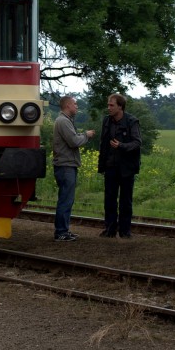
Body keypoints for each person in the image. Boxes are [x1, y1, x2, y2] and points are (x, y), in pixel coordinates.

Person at [97, 93, 142, 238]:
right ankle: (109, 229)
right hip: (110, 166)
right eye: (108, 105)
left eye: (112, 105)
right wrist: (101, 164)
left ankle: (125, 231)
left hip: (126, 168)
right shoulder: (106, 121)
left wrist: (121, 146)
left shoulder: (132, 121)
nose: (108, 107)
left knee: (125, 201)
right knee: (109, 199)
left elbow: (137, 143)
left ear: (120, 106)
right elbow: (103, 143)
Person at [52, 95, 95, 241]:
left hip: (66, 165)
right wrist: (86, 135)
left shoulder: (65, 120)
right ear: (68, 105)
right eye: (75, 104)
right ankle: (61, 232)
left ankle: (64, 230)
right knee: (65, 199)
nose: (77, 106)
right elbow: (74, 141)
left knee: (67, 199)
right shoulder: (63, 121)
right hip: (65, 166)